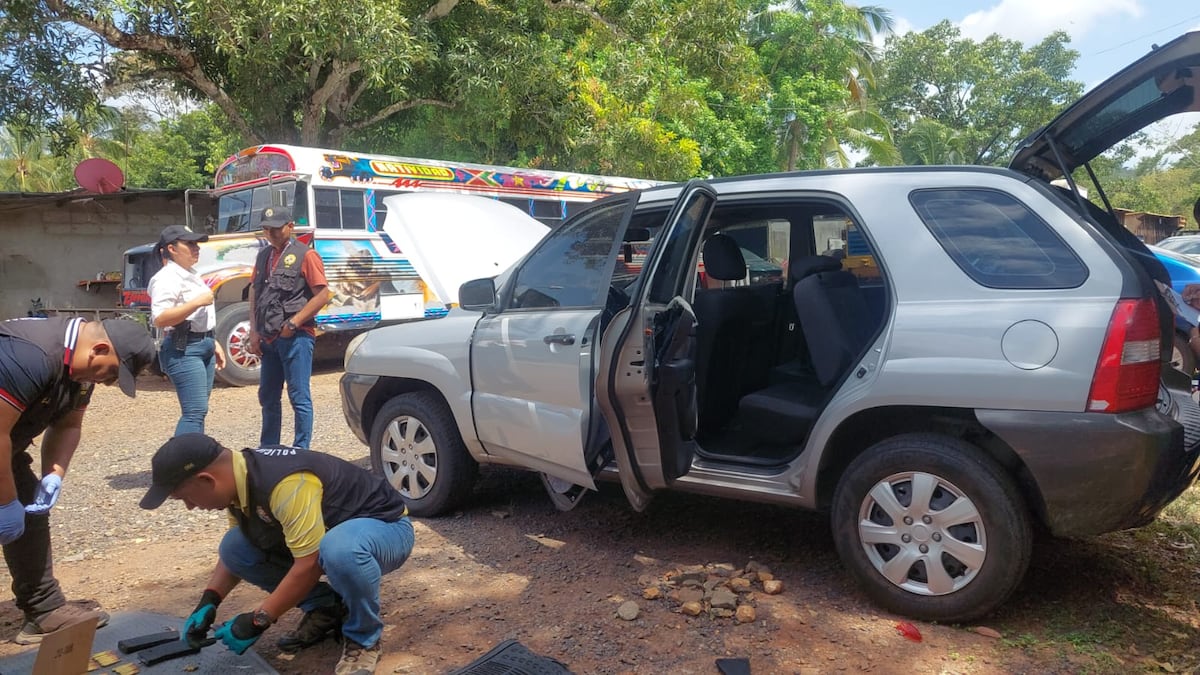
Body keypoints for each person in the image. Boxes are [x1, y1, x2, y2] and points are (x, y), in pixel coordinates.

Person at [139, 434, 414, 675]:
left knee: (338, 550)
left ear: (206, 479)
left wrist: (259, 619)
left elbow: (309, 564)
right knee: (234, 546)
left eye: (185, 498)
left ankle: (364, 637)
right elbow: (239, 551)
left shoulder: (285, 484)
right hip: (335, 534)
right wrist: (209, 600)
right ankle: (327, 608)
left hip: (386, 529)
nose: (190, 507)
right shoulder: (238, 480)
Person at [0, 316, 157, 644]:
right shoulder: (32, 355)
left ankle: (44, 609)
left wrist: (53, 476)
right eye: (112, 373)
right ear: (99, 349)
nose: (109, 383)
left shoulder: (81, 371)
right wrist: (4, 502)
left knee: (30, 508)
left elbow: (68, 425)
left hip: (7, 447)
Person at [247, 207, 331, 449]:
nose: (271, 232)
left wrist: (294, 323)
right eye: (266, 228)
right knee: (268, 397)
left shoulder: (307, 255)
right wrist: (254, 331)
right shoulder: (263, 255)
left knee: (299, 397)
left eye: (276, 227)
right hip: (268, 339)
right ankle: (268, 448)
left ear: (290, 226)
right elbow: (255, 291)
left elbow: (323, 294)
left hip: (296, 338)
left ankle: (300, 450)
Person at [148, 225, 227, 435]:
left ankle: (195, 459)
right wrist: (197, 302)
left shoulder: (190, 274)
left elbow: (199, 318)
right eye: (189, 243)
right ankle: (183, 463)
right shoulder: (166, 278)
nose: (196, 248)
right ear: (172, 249)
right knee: (194, 412)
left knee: (199, 411)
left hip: (202, 344)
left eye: (196, 243)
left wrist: (212, 340)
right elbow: (160, 318)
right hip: (184, 348)